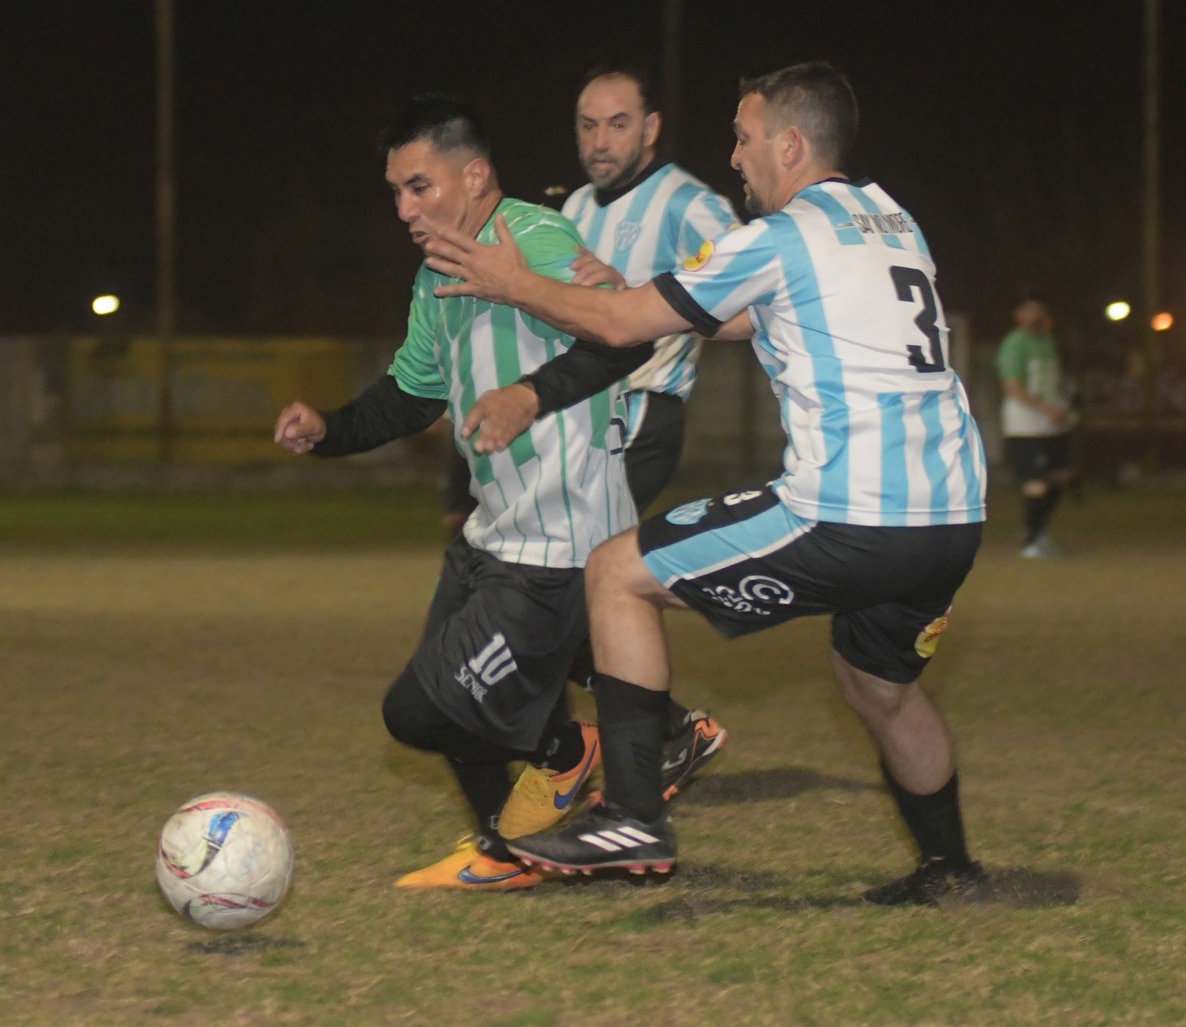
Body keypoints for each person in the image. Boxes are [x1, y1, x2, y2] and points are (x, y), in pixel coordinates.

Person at [421, 62, 991, 905]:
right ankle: (951, 868)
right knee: (878, 686)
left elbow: (623, 327)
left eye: (745, 136)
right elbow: (736, 313)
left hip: (850, 511)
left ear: (790, 145)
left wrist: (516, 284)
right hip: (951, 515)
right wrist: (626, 291)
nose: (734, 156)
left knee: (616, 569)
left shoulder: (783, 235)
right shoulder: (889, 220)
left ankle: (634, 815)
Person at [274, 94, 651, 891]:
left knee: (420, 709)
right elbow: (413, 396)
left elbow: (622, 337)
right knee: (448, 698)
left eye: (420, 187)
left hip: (561, 540)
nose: (405, 209)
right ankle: (504, 850)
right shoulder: (435, 273)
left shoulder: (535, 238)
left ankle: (564, 752)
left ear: (474, 177)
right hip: (494, 533)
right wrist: (329, 429)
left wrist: (529, 395)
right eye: (396, 192)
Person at [996, 294, 1074, 558]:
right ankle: (1032, 540)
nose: (1034, 316)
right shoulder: (1014, 344)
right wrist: (1045, 409)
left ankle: (1037, 530)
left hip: (1052, 423)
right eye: (1028, 311)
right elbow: (1013, 387)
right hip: (1024, 425)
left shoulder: (1048, 341)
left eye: (1037, 310)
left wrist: (1061, 406)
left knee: (1060, 477)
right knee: (1036, 482)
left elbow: (1053, 379)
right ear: (1018, 316)